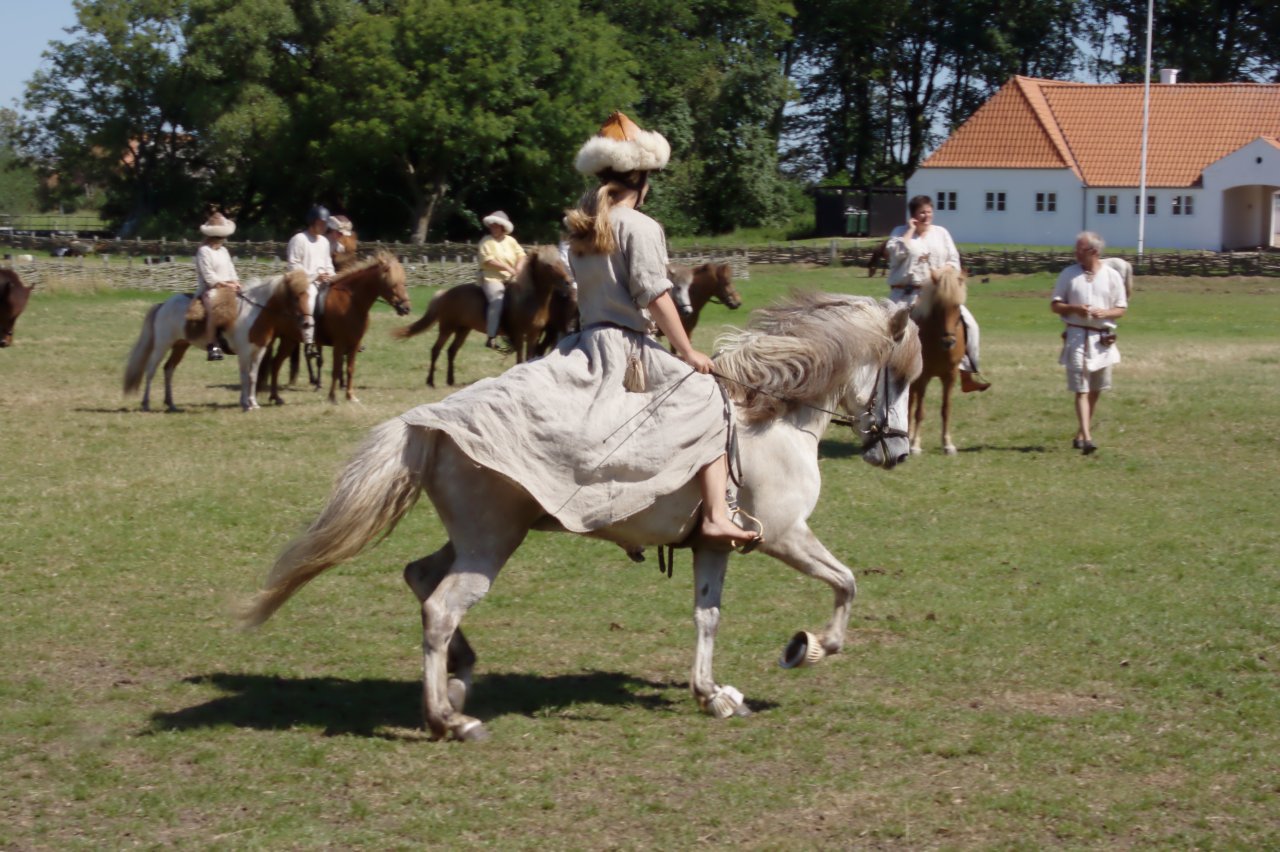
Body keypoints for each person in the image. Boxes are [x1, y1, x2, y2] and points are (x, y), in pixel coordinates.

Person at [400, 111, 760, 550]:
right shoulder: (641, 227)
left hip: (584, 343)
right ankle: (719, 515)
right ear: (642, 179)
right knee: (710, 396)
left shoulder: (583, 230)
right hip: (629, 350)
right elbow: (653, 294)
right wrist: (688, 352)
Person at [885, 194, 990, 392]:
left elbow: (953, 260)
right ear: (913, 214)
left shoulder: (941, 233)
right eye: (921, 212)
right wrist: (911, 230)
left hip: (937, 295)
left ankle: (967, 373)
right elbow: (896, 253)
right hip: (904, 295)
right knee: (890, 330)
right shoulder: (899, 232)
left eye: (929, 212)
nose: (926, 216)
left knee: (971, 325)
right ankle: (886, 372)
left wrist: (941, 271)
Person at [1051, 231, 1128, 455]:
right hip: (1076, 336)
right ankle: (1087, 437)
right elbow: (1055, 305)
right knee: (1081, 389)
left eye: (1080, 250)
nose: (1075, 254)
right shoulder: (1068, 274)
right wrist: (1074, 309)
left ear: (1094, 252)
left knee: (1095, 390)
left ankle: (1080, 433)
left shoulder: (1112, 276)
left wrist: (1105, 312)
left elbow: (1121, 308)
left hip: (1102, 339)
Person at [194, 211, 242, 361]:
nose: (224, 238)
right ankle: (212, 345)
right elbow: (209, 277)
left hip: (228, 288)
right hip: (210, 289)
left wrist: (236, 282)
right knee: (213, 309)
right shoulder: (203, 251)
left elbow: (231, 270)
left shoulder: (224, 251)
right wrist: (225, 284)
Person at [477, 210, 528, 348]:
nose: (493, 228)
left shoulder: (511, 241)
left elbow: (522, 255)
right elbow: (489, 261)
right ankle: (491, 336)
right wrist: (508, 268)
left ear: (503, 227)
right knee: (497, 301)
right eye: (492, 225)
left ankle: (518, 332)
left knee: (526, 299)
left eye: (496, 225)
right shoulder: (486, 241)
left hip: (511, 278)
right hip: (492, 278)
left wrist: (518, 268)